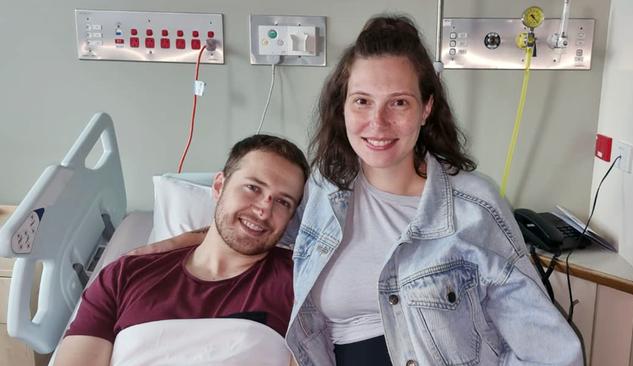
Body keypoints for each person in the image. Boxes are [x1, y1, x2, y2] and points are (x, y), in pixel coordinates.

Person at [139, 15, 583, 366]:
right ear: (344, 106)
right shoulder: (323, 194)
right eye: (363, 101)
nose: (378, 123)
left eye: (399, 103)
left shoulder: (472, 208)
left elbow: (551, 350)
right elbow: (257, 228)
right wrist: (174, 244)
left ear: (427, 108)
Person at [53, 135, 309, 366]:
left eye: (283, 202)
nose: (264, 210)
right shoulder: (124, 275)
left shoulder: (301, 284)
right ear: (219, 186)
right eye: (253, 187)